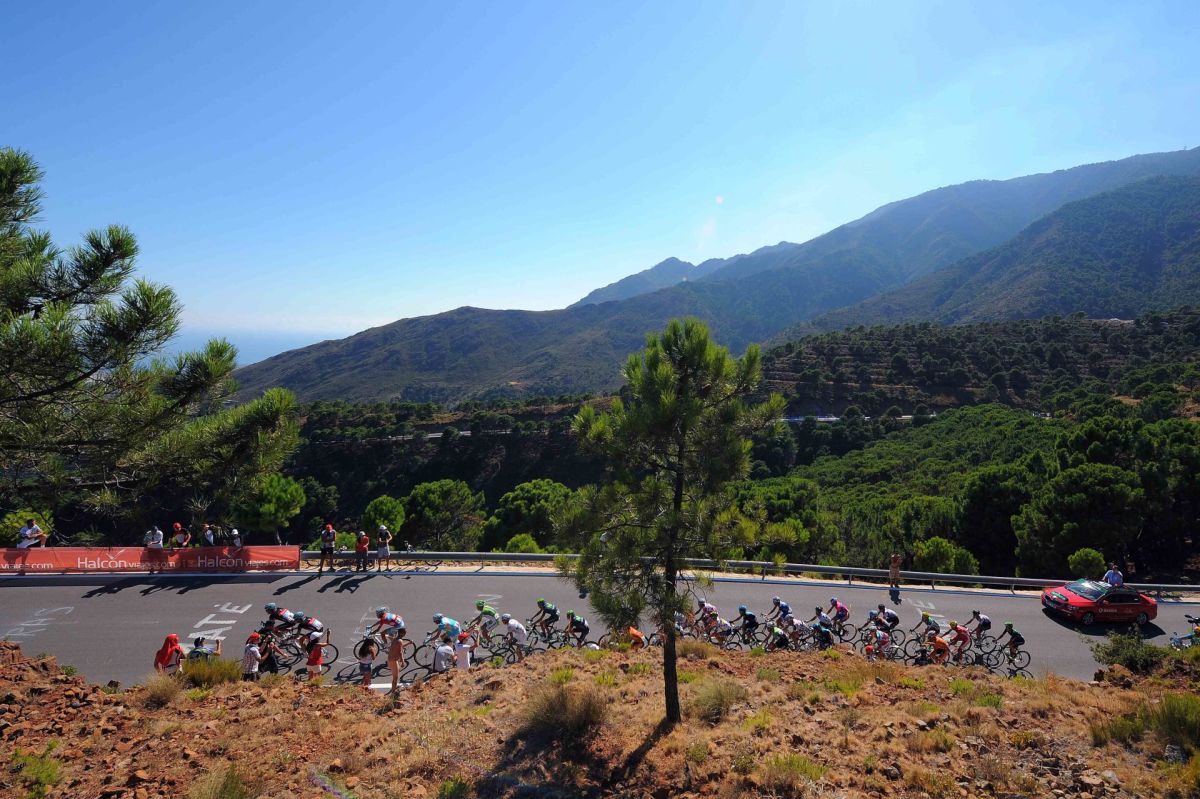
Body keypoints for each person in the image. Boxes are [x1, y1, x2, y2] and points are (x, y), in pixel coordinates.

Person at [387, 629, 414, 694]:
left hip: (390, 659)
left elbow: (400, 646)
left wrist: (409, 643)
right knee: (395, 678)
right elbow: (400, 652)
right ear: (402, 633)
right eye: (404, 633)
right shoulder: (400, 641)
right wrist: (403, 661)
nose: (405, 634)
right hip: (393, 661)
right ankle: (393, 692)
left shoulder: (395, 639)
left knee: (397, 672)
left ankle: (394, 687)